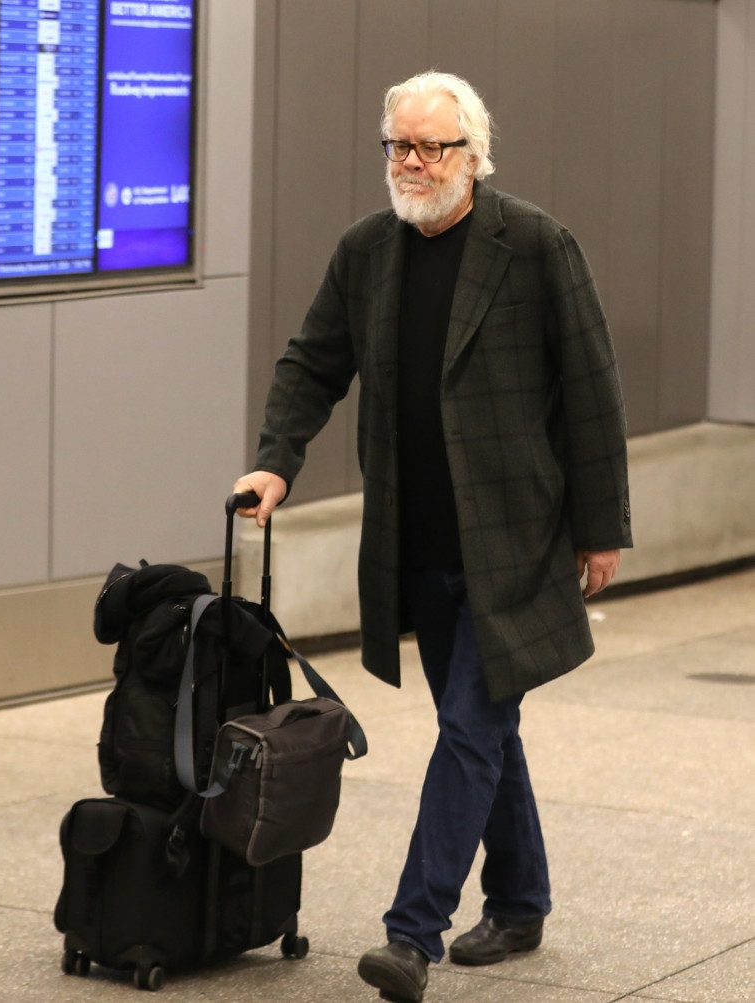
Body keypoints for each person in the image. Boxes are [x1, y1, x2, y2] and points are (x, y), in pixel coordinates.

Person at [234, 70, 632, 1003]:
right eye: (399, 146)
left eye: (432, 147)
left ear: (473, 153)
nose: (413, 163)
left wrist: (601, 526)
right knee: (489, 725)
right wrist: (276, 459)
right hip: (420, 541)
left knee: (467, 727)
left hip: (518, 540)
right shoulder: (369, 250)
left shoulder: (533, 243)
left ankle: (412, 933)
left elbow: (591, 387)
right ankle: (523, 896)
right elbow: (313, 359)